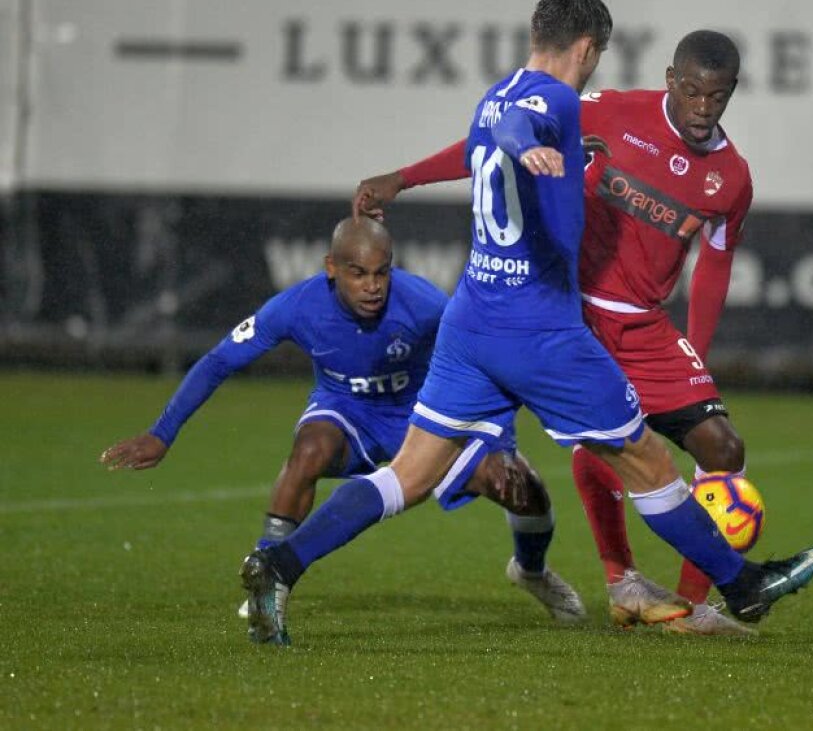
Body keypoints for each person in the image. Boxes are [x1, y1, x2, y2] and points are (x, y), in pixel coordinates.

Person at [240, 0, 813, 647]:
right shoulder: (556, 102)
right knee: (649, 464)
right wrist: (529, 147)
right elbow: (528, 130)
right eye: (596, 54)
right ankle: (740, 585)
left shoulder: (498, 95)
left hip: (472, 320)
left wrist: (414, 175)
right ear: (585, 48)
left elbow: (492, 136)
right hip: (541, 329)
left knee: (406, 476)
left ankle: (278, 564)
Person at [354, 30, 785, 636]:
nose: (702, 107)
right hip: (568, 309)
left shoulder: (731, 178)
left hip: (644, 323)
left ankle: (698, 606)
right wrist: (406, 177)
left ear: (731, 93)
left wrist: (699, 357)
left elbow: (714, 267)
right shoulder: (609, 111)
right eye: (691, 91)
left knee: (724, 448)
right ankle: (623, 580)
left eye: (716, 96)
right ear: (670, 80)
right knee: (602, 446)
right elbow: (496, 146)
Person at [101, 218, 586, 635]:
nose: (372, 286)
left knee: (522, 490)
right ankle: (268, 571)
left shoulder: (424, 305)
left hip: (423, 417)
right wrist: (163, 432)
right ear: (331, 268)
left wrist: (500, 441)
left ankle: (532, 571)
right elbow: (218, 361)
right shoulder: (295, 307)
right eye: (357, 274)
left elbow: (489, 360)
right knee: (308, 452)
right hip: (346, 410)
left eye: (381, 273)